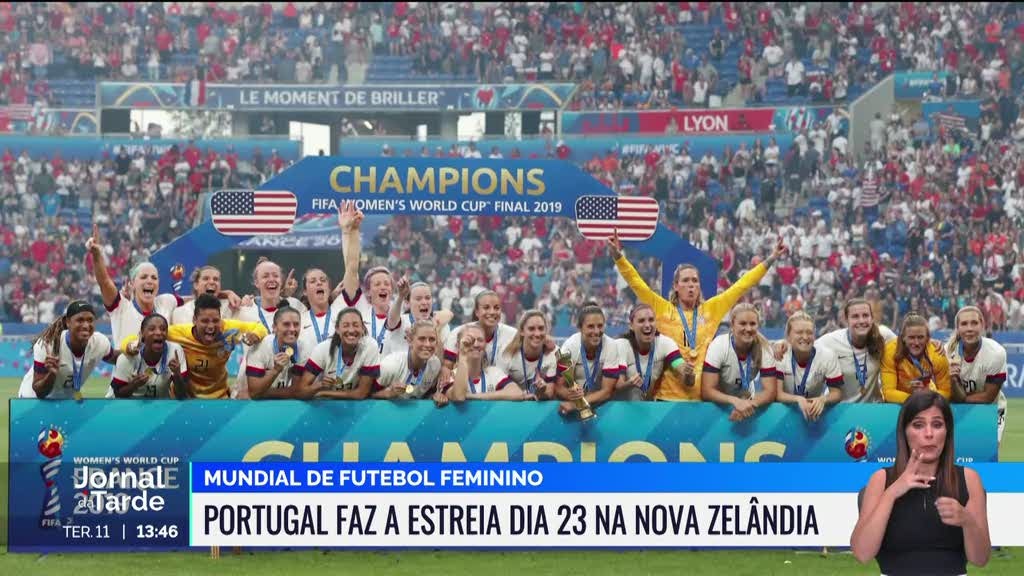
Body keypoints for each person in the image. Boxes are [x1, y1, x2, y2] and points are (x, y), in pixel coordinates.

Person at [607, 230, 788, 401]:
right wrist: (617, 256)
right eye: (685, 280)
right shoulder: (662, 310)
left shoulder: (711, 310)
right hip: (666, 398)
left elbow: (742, 285)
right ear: (676, 286)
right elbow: (636, 282)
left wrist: (771, 258)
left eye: (695, 280)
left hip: (700, 400)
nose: (691, 285)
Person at [851, 391, 991, 574]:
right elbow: (862, 553)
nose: (929, 434)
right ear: (905, 432)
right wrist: (892, 493)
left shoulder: (969, 478)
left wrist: (967, 520)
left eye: (937, 425)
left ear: (947, 432)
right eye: (918, 425)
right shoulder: (881, 480)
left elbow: (980, 559)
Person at [124, 294, 266, 399]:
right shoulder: (178, 333)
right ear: (194, 320)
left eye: (215, 321)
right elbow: (137, 337)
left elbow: (260, 328)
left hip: (220, 398)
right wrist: (130, 346)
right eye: (204, 321)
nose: (211, 326)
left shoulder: (229, 330)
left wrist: (255, 335)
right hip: (185, 399)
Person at [87, 225, 182, 345]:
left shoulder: (166, 301)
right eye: (143, 277)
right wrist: (96, 255)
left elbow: (193, 301)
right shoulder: (121, 307)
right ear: (132, 284)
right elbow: (104, 282)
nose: (149, 281)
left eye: (154, 278)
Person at [19, 301, 119, 399]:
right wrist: (51, 375)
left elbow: (116, 358)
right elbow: (39, 392)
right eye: (80, 320)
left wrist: (130, 348)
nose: (85, 325)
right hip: (33, 400)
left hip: (64, 401)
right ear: (68, 322)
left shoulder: (100, 343)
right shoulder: (48, 345)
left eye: (90, 320)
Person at [701, 303, 778, 421]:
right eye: (743, 323)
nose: (748, 328)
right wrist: (735, 401)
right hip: (720, 403)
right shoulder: (719, 345)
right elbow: (707, 391)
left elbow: (770, 391)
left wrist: (749, 404)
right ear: (732, 324)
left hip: (748, 404)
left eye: (752, 324)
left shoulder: (765, 348)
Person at [815, 297, 898, 403]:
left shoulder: (883, 335)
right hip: (840, 409)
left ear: (872, 318)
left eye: (865, 315)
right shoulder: (830, 341)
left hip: (872, 408)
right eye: (855, 316)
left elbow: (906, 347)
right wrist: (786, 344)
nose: (861, 321)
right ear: (846, 320)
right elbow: (803, 349)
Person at [945, 306, 1008, 443]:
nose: (969, 328)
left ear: (982, 325)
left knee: (987, 451)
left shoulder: (996, 353)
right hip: (957, 408)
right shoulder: (946, 353)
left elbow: (988, 396)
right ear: (957, 328)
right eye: (964, 324)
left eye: (974, 323)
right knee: (955, 454)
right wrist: (952, 381)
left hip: (992, 408)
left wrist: (959, 399)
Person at [338, 200, 394, 352]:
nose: (383, 286)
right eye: (377, 284)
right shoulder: (361, 308)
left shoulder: (400, 314)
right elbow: (351, 269)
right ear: (368, 291)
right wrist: (351, 231)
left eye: (386, 284)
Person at [296, 307, 380, 400]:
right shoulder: (323, 349)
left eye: (356, 325)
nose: (351, 330)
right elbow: (301, 392)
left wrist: (324, 393)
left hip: (353, 405)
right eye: (345, 325)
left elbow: (361, 393)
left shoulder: (370, 346)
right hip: (326, 406)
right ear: (337, 329)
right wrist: (319, 385)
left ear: (363, 328)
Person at [773, 312, 844, 421]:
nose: (805, 337)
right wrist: (798, 399)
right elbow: (778, 394)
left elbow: (837, 393)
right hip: (782, 414)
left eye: (809, 332)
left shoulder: (827, 356)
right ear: (788, 336)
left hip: (813, 413)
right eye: (799, 332)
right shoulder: (780, 354)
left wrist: (823, 399)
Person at [555, 303, 622, 416]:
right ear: (580, 328)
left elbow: (607, 392)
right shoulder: (569, 347)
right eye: (590, 326)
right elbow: (558, 387)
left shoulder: (611, 345)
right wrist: (571, 395)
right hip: (572, 405)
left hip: (601, 407)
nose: (596, 331)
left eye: (600, 326)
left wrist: (579, 403)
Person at [442, 290, 518, 382]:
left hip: (501, 387)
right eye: (486, 308)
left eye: (496, 308)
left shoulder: (513, 335)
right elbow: (447, 368)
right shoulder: (458, 333)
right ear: (477, 312)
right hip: (466, 387)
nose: (492, 312)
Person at [615, 303, 686, 401]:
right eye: (641, 321)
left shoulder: (665, 343)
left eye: (651, 320)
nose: (647, 325)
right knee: (635, 390)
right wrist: (629, 383)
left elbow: (681, 367)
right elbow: (617, 385)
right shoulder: (621, 345)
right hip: (620, 407)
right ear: (631, 325)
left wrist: (687, 372)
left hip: (649, 406)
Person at [109, 314, 188, 399]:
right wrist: (134, 385)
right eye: (152, 329)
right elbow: (118, 394)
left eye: (163, 329)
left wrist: (177, 374)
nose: (158, 333)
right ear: (142, 333)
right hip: (131, 407)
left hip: (160, 408)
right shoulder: (129, 356)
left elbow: (182, 395)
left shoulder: (174, 351)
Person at [442, 324, 527, 402]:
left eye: (480, 340)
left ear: (485, 345)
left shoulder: (494, 373)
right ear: (458, 345)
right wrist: (463, 356)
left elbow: (517, 393)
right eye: (468, 341)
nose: (475, 344)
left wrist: (473, 396)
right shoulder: (450, 375)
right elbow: (459, 397)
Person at [882, 314, 951, 403]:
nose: (916, 342)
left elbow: (946, 392)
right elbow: (888, 393)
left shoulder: (937, 354)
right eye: (911, 337)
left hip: (926, 397)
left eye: (920, 337)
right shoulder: (890, 351)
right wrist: (916, 398)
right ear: (903, 338)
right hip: (899, 402)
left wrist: (927, 395)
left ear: (927, 338)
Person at [246, 307, 312, 399]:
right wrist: (276, 370)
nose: (292, 329)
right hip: (247, 404)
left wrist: (262, 393)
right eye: (286, 324)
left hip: (278, 403)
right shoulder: (260, 347)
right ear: (274, 328)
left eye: (296, 324)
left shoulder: (304, 348)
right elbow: (254, 393)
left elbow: (297, 391)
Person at [381, 277, 453, 357]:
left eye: (428, 298)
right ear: (407, 302)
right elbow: (391, 321)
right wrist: (400, 296)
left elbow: (443, 360)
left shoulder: (442, 325)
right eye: (418, 299)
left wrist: (437, 329)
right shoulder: (402, 321)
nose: (424, 302)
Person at [375, 320, 442, 400]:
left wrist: (436, 396)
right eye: (422, 339)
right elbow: (368, 394)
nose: (427, 344)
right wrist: (389, 393)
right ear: (410, 340)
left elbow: (427, 394)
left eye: (432, 339)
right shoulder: (391, 364)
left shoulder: (435, 365)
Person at [499, 309, 558, 400]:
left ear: (546, 330)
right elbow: (499, 389)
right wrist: (520, 395)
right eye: (531, 329)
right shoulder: (508, 353)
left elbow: (549, 393)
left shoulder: (553, 353)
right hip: (513, 405)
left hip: (540, 407)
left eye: (541, 328)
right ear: (522, 331)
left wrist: (541, 392)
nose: (537, 334)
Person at [170, 265, 243, 324]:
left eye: (216, 279)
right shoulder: (180, 313)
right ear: (196, 285)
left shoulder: (232, 307)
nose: (212, 282)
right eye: (206, 278)